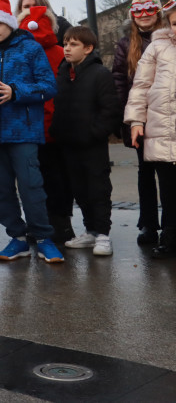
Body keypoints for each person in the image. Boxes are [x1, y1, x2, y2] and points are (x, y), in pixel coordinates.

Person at [0, 0, 63, 263]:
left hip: (24, 132)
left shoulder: (31, 50)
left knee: (31, 186)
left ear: (9, 22)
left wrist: (16, 91)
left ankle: (44, 238)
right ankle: (17, 238)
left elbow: (49, 86)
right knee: (1, 189)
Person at [51, 26, 121, 257]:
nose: (67, 48)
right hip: (68, 144)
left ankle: (103, 234)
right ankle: (90, 230)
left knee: (97, 189)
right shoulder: (63, 73)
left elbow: (109, 109)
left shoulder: (100, 74)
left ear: (88, 48)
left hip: (92, 145)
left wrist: (95, 133)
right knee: (79, 189)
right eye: (65, 43)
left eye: (73, 44)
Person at [113, 0, 165, 246]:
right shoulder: (125, 44)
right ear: (132, 15)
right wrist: (127, 117)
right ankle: (148, 224)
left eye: (149, 10)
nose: (144, 15)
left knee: (169, 175)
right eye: (138, 11)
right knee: (146, 173)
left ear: (158, 12)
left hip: (168, 116)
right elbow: (120, 82)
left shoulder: (170, 38)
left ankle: (171, 224)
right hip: (140, 119)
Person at [125, 0, 176, 258]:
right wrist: (136, 121)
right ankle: (169, 237)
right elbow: (141, 87)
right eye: (175, 23)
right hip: (161, 129)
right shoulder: (157, 47)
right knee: (167, 188)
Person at [18, 5, 71, 243]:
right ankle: (39, 223)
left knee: (57, 178)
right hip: (28, 127)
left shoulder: (60, 53)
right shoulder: (19, 54)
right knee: (33, 180)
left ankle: (60, 222)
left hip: (56, 126)